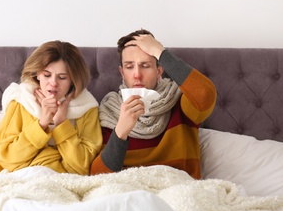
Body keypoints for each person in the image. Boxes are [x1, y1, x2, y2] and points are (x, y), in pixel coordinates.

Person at [90, 29, 216, 179]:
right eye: (129, 67)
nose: (137, 74)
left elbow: (205, 94)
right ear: (122, 73)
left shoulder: (181, 102)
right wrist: (120, 133)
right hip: (130, 192)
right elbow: (97, 177)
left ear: (159, 71)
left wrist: (159, 51)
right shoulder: (110, 112)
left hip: (177, 191)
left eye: (145, 65)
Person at [0, 40, 102, 175]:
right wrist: (42, 123)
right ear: (37, 73)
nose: (53, 83)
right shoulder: (22, 100)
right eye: (47, 75)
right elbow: (6, 158)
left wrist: (61, 123)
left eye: (62, 77)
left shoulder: (86, 107)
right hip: (22, 178)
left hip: (63, 182)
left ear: (73, 80)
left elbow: (83, 166)